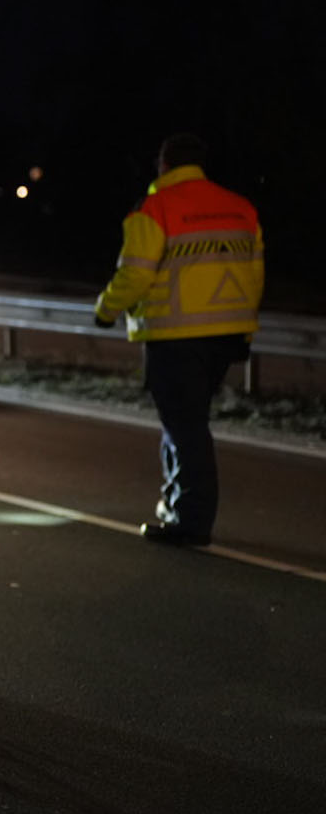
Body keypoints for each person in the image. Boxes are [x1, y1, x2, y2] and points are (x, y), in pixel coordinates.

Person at [93, 133, 263, 547]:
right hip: (225, 336)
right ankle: (182, 510)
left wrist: (106, 310)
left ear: (163, 164)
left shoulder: (155, 208)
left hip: (175, 335)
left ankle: (189, 520)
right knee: (191, 425)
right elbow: (255, 272)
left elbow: (136, 272)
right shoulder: (240, 207)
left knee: (184, 429)